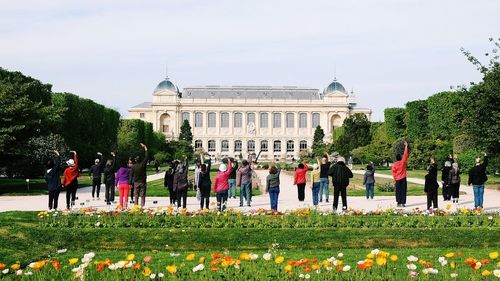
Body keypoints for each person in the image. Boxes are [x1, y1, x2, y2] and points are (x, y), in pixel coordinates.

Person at [130, 143, 149, 208]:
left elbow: (131, 175)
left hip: (136, 182)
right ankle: (142, 206)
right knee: (142, 195)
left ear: (135, 160)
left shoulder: (133, 166)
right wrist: (145, 148)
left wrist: (130, 182)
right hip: (142, 181)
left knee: (136, 195)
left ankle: (136, 206)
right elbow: (146, 157)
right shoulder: (143, 164)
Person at [392, 141, 409, 207]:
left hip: (398, 179)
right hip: (403, 178)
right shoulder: (403, 162)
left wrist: (394, 179)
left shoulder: (394, 165)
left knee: (398, 191)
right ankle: (403, 203)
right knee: (403, 191)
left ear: (396, 158)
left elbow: (393, 173)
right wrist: (406, 146)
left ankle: (398, 202)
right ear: (401, 158)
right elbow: (405, 154)